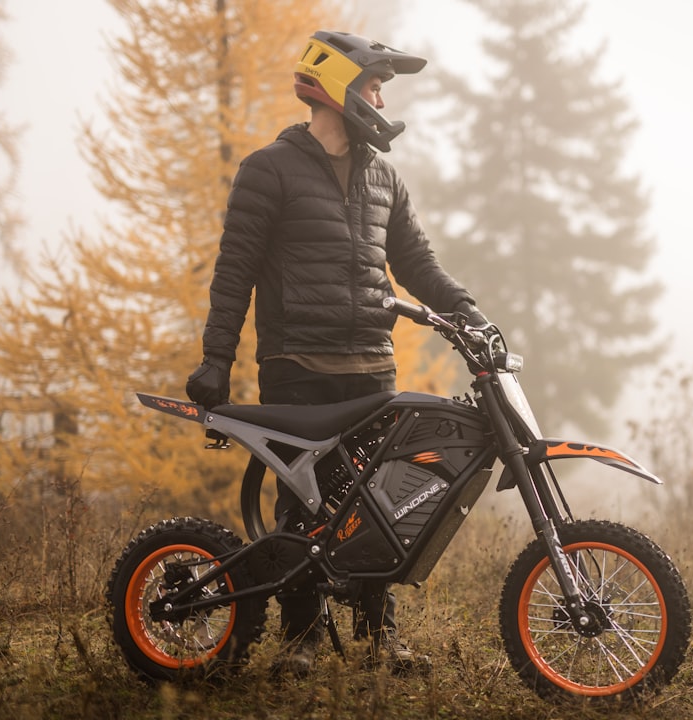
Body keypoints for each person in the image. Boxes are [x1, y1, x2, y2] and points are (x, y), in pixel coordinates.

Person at [185, 30, 487, 677]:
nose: (382, 100)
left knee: (376, 505)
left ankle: (380, 637)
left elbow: (417, 264)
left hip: (373, 367)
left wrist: (469, 312)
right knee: (302, 506)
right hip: (298, 366)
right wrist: (216, 359)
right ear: (338, 88)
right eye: (375, 86)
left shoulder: (384, 177)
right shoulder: (268, 170)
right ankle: (300, 638)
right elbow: (234, 273)